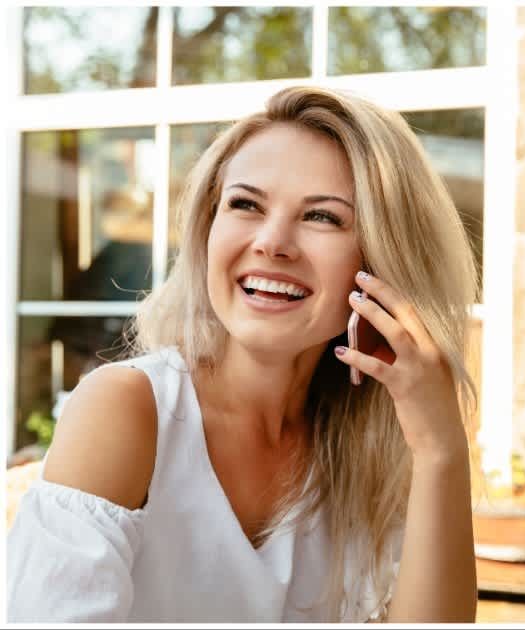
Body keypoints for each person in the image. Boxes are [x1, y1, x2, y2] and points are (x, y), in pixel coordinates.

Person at [6, 86, 479, 622]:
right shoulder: (128, 410)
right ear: (208, 231)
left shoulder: (375, 447)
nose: (272, 242)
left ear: (382, 259)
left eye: (323, 217)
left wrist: (442, 450)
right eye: (246, 204)